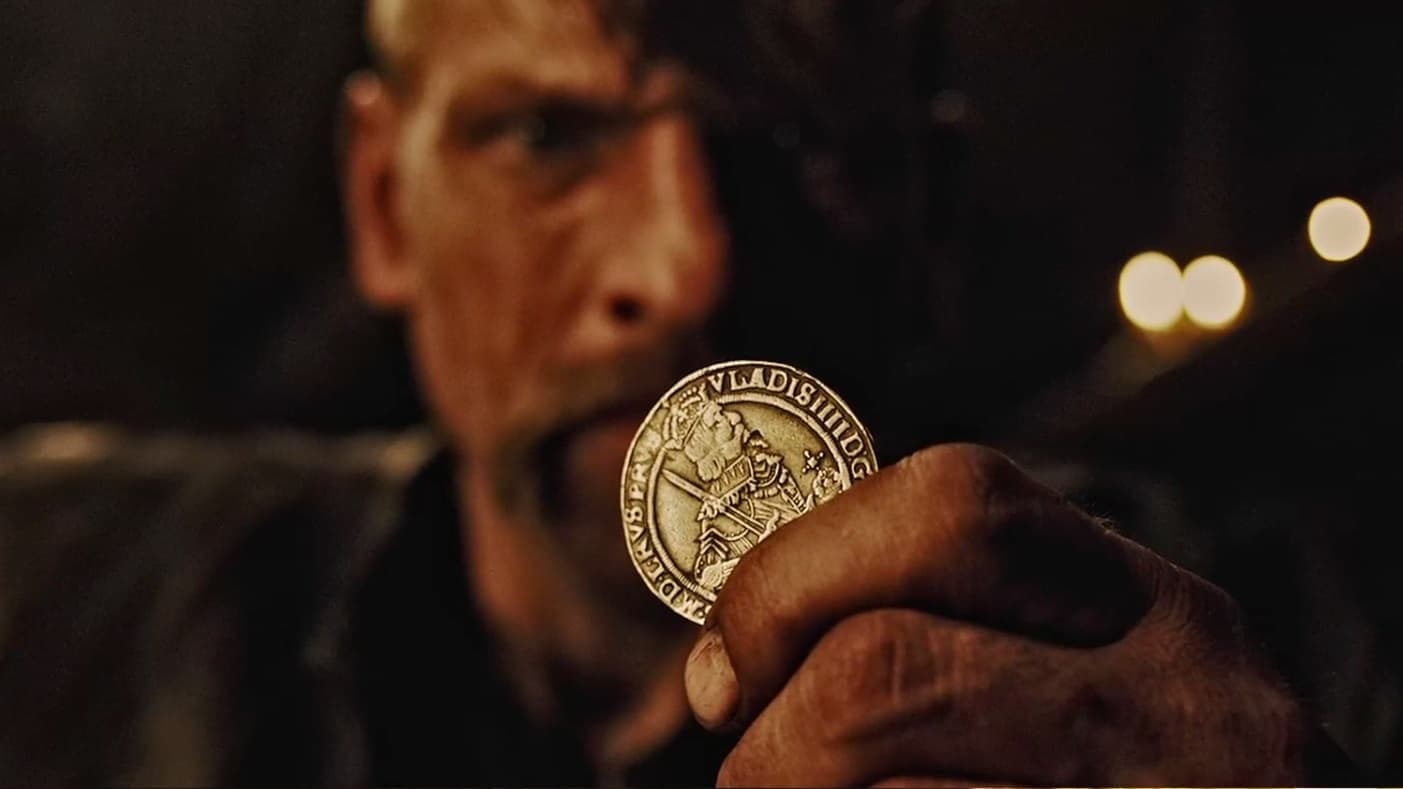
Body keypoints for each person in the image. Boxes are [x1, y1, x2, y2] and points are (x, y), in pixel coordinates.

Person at [0, 0, 1377, 784]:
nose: (690, 264)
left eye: (806, 145)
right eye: (547, 136)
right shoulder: (49, 595)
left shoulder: (1316, 648)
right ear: (382, 204)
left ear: (931, 216)